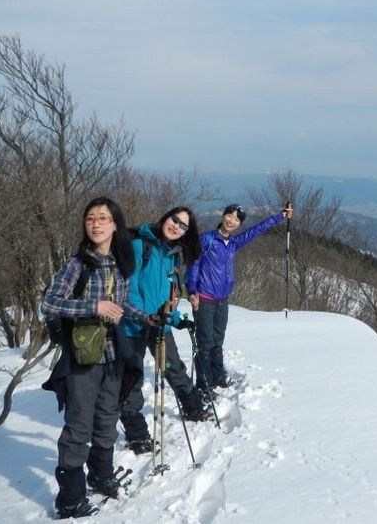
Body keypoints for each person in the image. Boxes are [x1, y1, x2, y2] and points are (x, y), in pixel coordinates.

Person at [41, 197, 158, 519]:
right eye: (90, 218)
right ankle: (70, 497)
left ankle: (101, 474)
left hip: (114, 355)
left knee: (107, 417)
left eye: (102, 218)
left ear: (115, 225)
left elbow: (119, 307)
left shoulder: (120, 264)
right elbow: (49, 305)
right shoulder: (76, 264)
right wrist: (92, 307)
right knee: (79, 424)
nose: (95, 223)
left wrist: (146, 317)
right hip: (83, 356)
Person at [119, 206, 211, 455]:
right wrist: (146, 316)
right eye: (174, 220)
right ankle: (137, 435)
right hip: (132, 325)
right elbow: (130, 289)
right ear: (165, 217)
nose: (176, 226)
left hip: (159, 322)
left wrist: (176, 319)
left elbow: (165, 296)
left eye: (183, 226)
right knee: (132, 379)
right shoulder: (140, 245)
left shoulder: (172, 254)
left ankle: (192, 407)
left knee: (172, 366)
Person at [186, 203, 293, 393]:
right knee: (205, 343)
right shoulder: (207, 239)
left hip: (222, 300)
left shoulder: (233, 244)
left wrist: (280, 217)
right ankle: (204, 385)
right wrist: (192, 291)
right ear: (223, 215)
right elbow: (193, 266)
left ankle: (218, 377)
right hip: (204, 298)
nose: (231, 221)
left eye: (236, 219)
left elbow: (257, 230)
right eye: (230, 215)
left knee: (218, 340)